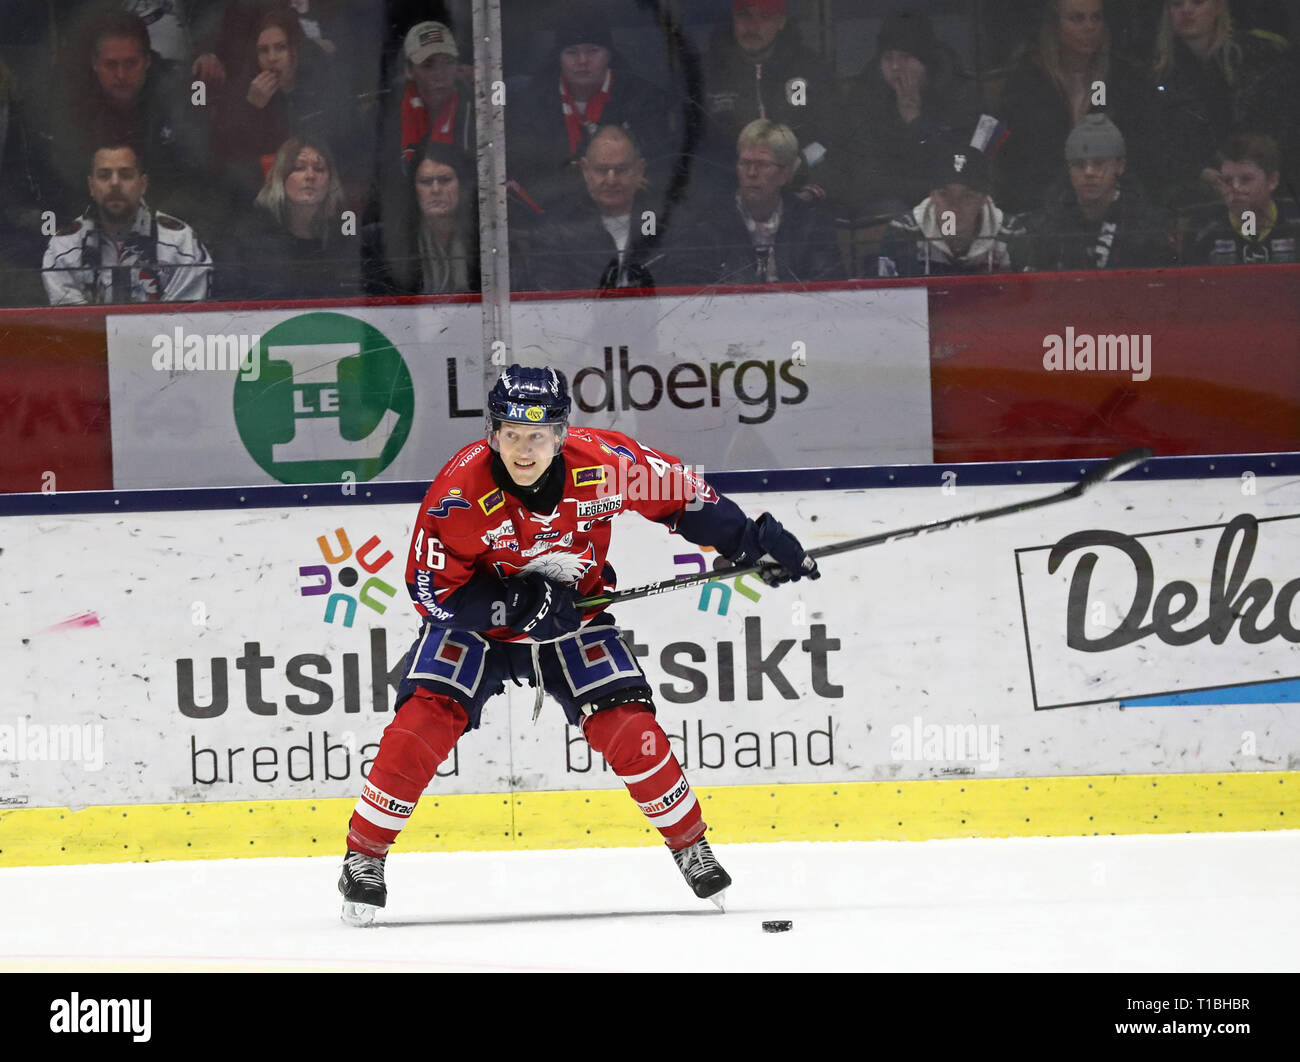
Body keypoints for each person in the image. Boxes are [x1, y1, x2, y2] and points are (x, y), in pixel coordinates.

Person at [337, 365, 821, 925]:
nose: (524, 449)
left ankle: (691, 844)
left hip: (574, 614)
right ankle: (363, 857)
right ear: (492, 434)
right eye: (512, 435)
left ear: (561, 435)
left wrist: (752, 541)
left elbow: (684, 499)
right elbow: (432, 594)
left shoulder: (608, 463)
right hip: (478, 625)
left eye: (538, 436)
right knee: (422, 721)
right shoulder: (458, 495)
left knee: (628, 725)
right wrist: (519, 607)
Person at [505, 7, 681, 215]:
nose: (582, 61)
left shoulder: (645, 99)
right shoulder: (530, 102)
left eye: (592, 50)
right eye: (572, 52)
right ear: (558, 57)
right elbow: (528, 170)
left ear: (609, 54)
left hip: (631, 211)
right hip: (554, 214)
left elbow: (655, 167)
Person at [994, 0, 1158, 214]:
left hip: (1114, 210)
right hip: (1038, 208)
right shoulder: (1026, 80)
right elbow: (998, 147)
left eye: (1096, 18)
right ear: (1054, 25)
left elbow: (1143, 148)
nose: (1089, 27)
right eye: (1077, 18)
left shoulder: (1122, 78)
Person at [48, 10, 207, 221]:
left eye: (131, 63)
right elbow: (68, 185)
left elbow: (195, 176)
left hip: (166, 218)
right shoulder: (72, 102)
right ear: (95, 64)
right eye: (111, 65)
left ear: (147, 61)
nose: (121, 75)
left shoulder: (175, 92)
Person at [825, 10, 981, 223]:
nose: (896, 67)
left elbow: (964, 167)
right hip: (886, 203)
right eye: (888, 58)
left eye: (906, 58)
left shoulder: (961, 94)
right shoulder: (866, 96)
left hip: (948, 202)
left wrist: (917, 124)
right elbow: (866, 177)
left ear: (926, 61)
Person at [1152, 0, 1298, 209]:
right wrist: (1200, 172)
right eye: (1177, 4)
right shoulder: (1160, 74)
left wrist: (1247, 171)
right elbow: (1162, 144)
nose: (1187, 10)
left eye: (1197, 2)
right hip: (1199, 192)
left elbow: (1281, 129)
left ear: (1219, 6)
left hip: (1268, 184)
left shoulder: (1261, 57)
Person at [693, 0, 834, 200]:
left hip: (799, 191)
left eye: (764, 17)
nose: (753, 25)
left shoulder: (810, 69)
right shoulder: (706, 73)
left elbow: (831, 138)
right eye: (744, 15)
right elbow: (695, 150)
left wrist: (805, 175)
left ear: (781, 21)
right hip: (725, 197)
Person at [42, 143, 212, 305]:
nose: (115, 183)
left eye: (125, 175)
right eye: (104, 175)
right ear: (91, 186)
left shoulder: (180, 242)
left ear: (143, 184)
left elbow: (183, 324)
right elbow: (72, 326)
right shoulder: (63, 247)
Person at [682, 119, 842, 285]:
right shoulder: (707, 223)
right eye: (745, 163)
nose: (751, 173)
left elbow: (830, 290)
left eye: (763, 165)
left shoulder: (812, 223)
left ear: (785, 174)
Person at [211, 8, 343, 204]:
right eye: (263, 50)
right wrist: (252, 110)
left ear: (295, 49)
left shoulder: (321, 81)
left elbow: (341, 141)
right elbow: (228, 164)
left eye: (280, 47)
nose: (272, 58)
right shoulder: (245, 91)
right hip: (268, 197)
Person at [520, 126, 672, 292]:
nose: (611, 180)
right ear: (585, 170)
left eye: (621, 170)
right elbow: (551, 303)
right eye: (602, 170)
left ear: (640, 170)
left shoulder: (667, 221)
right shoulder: (556, 231)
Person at [1020, 114, 1174, 270]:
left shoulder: (1148, 228)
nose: (1089, 172)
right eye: (1079, 164)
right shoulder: (1046, 226)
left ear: (1120, 166)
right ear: (1068, 168)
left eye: (1099, 163)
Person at [223, 135, 358, 299]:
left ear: (331, 182)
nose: (310, 176)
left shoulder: (345, 235)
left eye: (319, 168)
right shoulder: (248, 238)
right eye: (299, 168)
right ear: (280, 177)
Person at [876, 145, 1027, 276]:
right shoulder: (906, 231)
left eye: (967, 196)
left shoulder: (1010, 232)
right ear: (932, 196)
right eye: (945, 194)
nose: (955, 206)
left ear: (983, 199)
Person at [362, 140, 480, 295]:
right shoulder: (386, 242)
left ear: (461, 185)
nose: (436, 190)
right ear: (414, 189)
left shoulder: (481, 238)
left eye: (445, 180)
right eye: (426, 182)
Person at [1184, 132, 1299, 263]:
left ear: (1272, 180)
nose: (1235, 188)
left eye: (1246, 179)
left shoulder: (1296, 219)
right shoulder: (1203, 226)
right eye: (1227, 180)